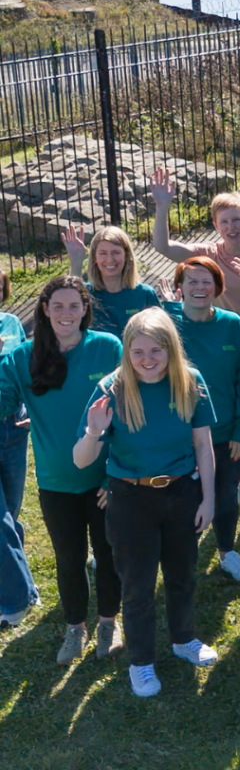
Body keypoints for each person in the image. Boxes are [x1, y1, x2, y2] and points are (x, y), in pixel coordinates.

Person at [73, 307, 218, 698]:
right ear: (127, 353)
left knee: (183, 573)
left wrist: (209, 497)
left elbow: (203, 445)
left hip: (181, 493)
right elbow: (81, 459)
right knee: (137, 585)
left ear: (171, 349)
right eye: (138, 352)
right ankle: (141, 662)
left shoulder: (190, 382)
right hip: (131, 499)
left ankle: (184, 639)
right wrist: (93, 431)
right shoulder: (111, 389)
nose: (147, 360)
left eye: (156, 351)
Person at [0, 276, 123, 663]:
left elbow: (131, 414)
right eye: (58, 307)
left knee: (108, 554)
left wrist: (115, 475)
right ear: (45, 311)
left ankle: (108, 623)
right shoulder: (22, 357)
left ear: (86, 309)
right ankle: (75, 629)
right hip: (56, 482)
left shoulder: (108, 348)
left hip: (105, 481)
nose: (66, 314)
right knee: (68, 559)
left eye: (74, 306)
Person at [150, 168, 240, 513]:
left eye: (237, 219)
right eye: (225, 222)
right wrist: (163, 206)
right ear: (216, 224)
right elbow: (162, 246)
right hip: (227, 351)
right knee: (233, 415)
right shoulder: (207, 253)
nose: (232, 227)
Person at [158, 256, 240, 582]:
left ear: (218, 287)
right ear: (180, 288)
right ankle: (183, 552)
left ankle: (227, 551)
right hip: (177, 435)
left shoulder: (234, 326)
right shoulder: (165, 324)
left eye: (207, 281)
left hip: (225, 433)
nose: (200, 288)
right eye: (192, 281)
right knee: (183, 499)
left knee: (225, 495)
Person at [0, 269, 38, 629]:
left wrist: (32, 410)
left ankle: (15, 563)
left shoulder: (11, 323)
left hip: (13, 425)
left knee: (10, 510)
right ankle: (17, 599)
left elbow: (23, 369)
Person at [62, 224, 159, 337]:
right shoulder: (86, 294)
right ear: (95, 258)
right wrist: (76, 263)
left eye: (116, 253)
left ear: (127, 256)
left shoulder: (144, 294)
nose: (109, 259)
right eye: (103, 253)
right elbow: (68, 305)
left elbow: (161, 336)